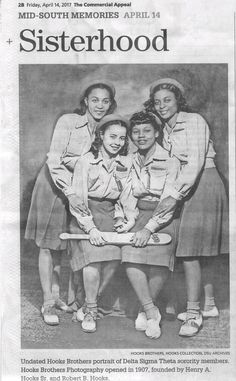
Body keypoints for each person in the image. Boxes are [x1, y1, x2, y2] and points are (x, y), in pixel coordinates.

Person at [25, 79, 117, 325]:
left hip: (81, 191)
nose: (100, 105)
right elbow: (55, 161)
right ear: (85, 101)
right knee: (49, 244)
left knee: (72, 245)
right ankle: (48, 302)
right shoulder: (68, 121)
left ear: (111, 104)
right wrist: (71, 193)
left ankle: (68, 298)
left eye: (105, 101)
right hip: (55, 186)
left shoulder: (109, 128)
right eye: (95, 99)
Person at [145, 77, 228, 336]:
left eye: (167, 100)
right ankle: (210, 305)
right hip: (185, 186)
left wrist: (174, 196)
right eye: (157, 102)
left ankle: (193, 314)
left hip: (203, 183)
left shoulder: (194, 121)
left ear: (178, 100)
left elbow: (194, 164)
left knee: (190, 250)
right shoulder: (163, 128)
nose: (162, 106)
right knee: (195, 247)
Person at [68, 114, 136, 333]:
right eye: (112, 136)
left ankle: (87, 300)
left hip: (111, 215)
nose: (117, 142)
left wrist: (127, 220)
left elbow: (126, 196)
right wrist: (91, 228)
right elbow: (78, 199)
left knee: (116, 257)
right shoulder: (85, 161)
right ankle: (90, 310)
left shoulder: (126, 162)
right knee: (94, 261)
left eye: (122, 138)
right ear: (101, 135)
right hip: (85, 215)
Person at [116, 111, 180, 339]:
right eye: (136, 131)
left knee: (159, 263)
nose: (141, 136)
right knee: (130, 256)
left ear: (156, 132)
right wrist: (130, 222)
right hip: (137, 215)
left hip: (163, 218)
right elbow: (127, 195)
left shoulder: (171, 160)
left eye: (146, 130)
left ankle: (145, 310)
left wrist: (149, 228)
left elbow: (169, 200)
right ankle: (152, 311)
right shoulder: (129, 159)